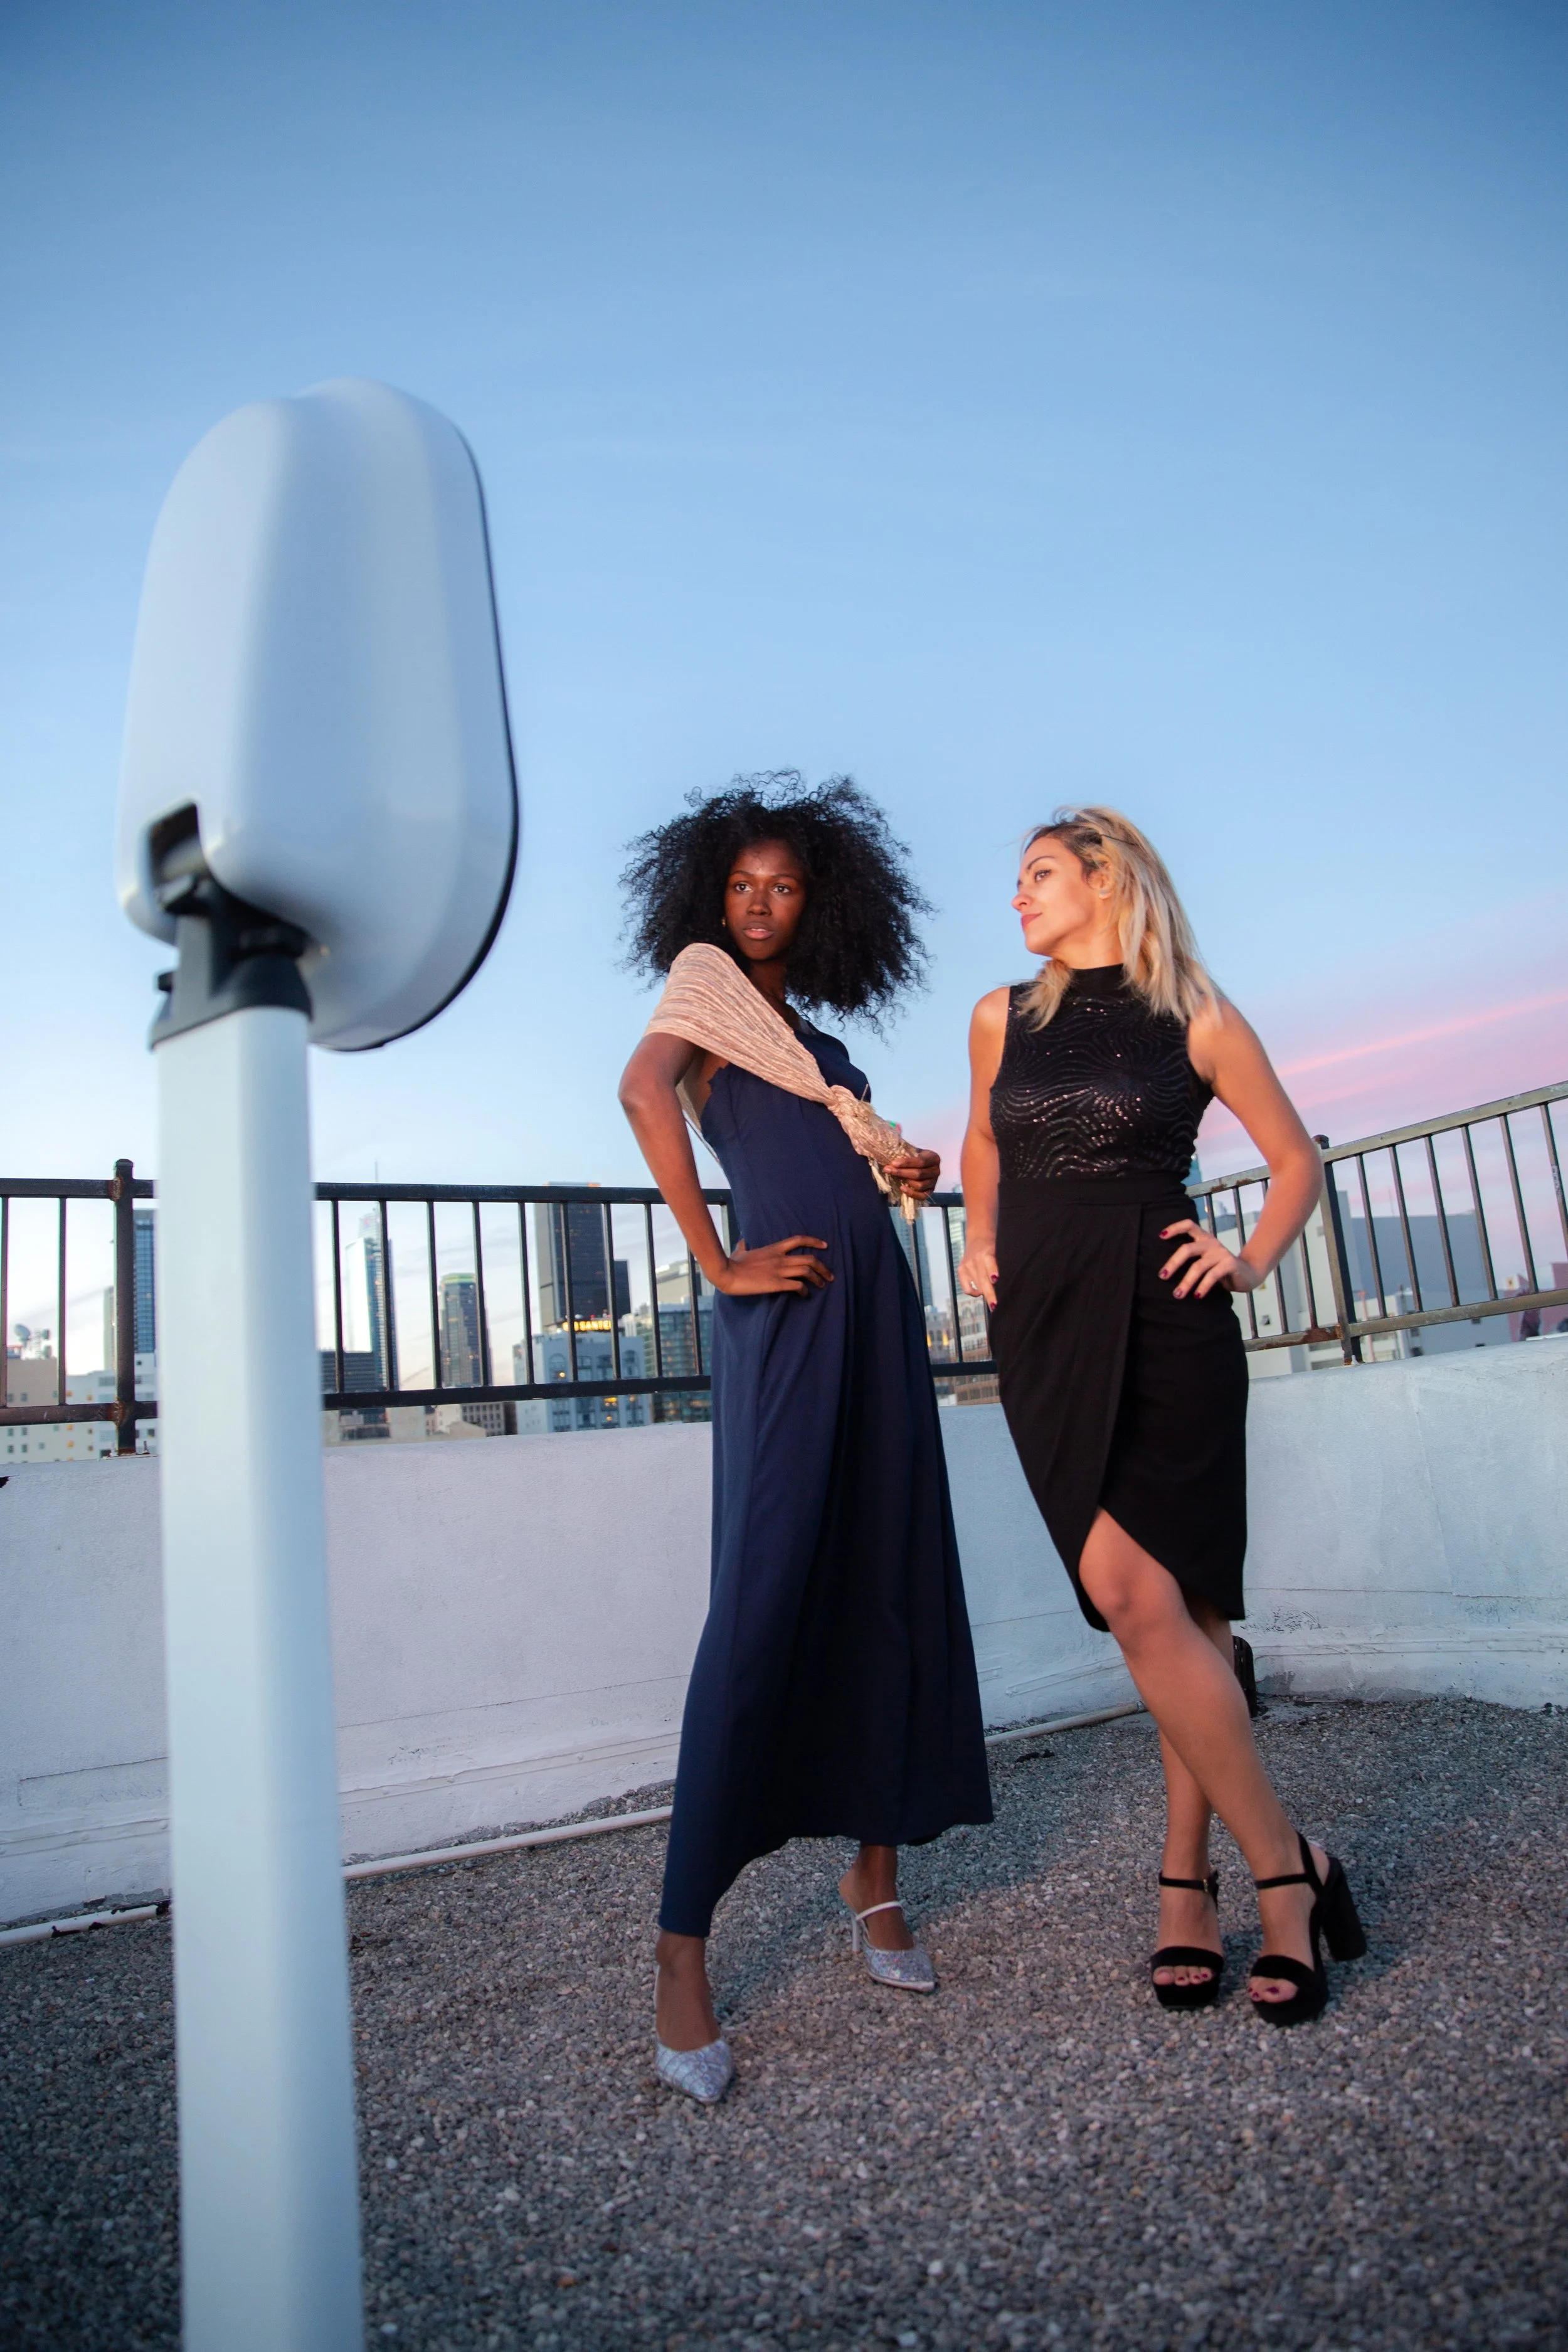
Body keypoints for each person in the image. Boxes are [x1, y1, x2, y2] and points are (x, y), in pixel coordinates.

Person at [618, 773, 993, 2101]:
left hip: (876, 1318)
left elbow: (857, 1163)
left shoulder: (823, 1049)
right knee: (761, 1605)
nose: (761, 904)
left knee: (887, 1582)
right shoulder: (705, 1006)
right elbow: (639, 1092)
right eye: (741, 885)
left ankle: (873, 1878)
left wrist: (904, 1171)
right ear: (708, 897)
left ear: (818, 902)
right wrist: (715, 1261)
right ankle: (680, 1948)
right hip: (781, 1329)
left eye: (782, 886)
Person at [957, 808, 1365, 2025]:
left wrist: (1242, 1261)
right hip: (1041, 1326)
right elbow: (981, 1139)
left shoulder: (1195, 1013)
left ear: (1105, 879)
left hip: (1167, 1318)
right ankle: (1292, 1860)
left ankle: (1199, 1883)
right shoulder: (1000, 1015)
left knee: (1171, 1610)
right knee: (1134, 1602)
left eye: (1036, 876)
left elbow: (1294, 1161)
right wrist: (978, 1236)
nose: (1016, 899)